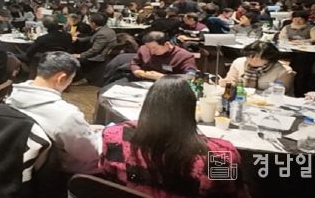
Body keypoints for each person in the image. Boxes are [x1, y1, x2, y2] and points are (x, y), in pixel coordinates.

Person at [100, 77, 246, 197]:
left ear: (147, 106)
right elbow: (232, 194)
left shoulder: (114, 136)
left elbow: (108, 179)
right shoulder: (221, 155)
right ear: (190, 110)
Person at [6, 51, 100, 174]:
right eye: (71, 79)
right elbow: (90, 154)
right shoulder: (67, 115)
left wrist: (83, 128)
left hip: (18, 158)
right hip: (59, 170)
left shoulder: (12, 95)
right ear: (61, 78)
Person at [220, 41, 294, 94]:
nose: (253, 60)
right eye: (249, 56)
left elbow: (281, 92)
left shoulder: (283, 71)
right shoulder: (239, 62)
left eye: (258, 57)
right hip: (241, 97)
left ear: (269, 58)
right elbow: (230, 81)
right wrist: (227, 83)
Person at [130, 31, 197, 81]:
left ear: (167, 44)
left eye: (155, 48)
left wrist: (164, 77)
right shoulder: (143, 49)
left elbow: (190, 77)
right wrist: (136, 71)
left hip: (170, 85)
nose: (152, 51)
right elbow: (135, 63)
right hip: (144, 82)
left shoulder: (184, 56)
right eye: (148, 48)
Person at [73, 13, 116, 85]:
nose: (88, 24)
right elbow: (94, 38)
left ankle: (80, 79)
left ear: (93, 23)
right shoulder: (107, 30)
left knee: (72, 59)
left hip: (99, 57)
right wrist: (78, 39)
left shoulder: (102, 34)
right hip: (105, 54)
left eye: (89, 22)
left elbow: (95, 50)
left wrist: (80, 55)